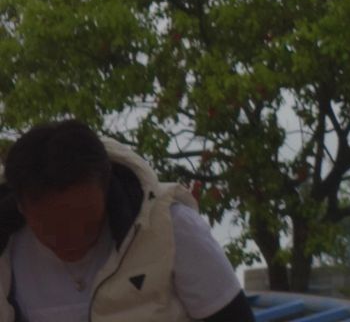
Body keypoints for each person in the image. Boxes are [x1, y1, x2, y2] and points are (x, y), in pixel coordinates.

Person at [0, 120, 251, 322]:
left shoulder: (170, 226)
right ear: (21, 207)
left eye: (86, 223)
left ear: (106, 188)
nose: (72, 238)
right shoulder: (7, 250)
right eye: (52, 229)